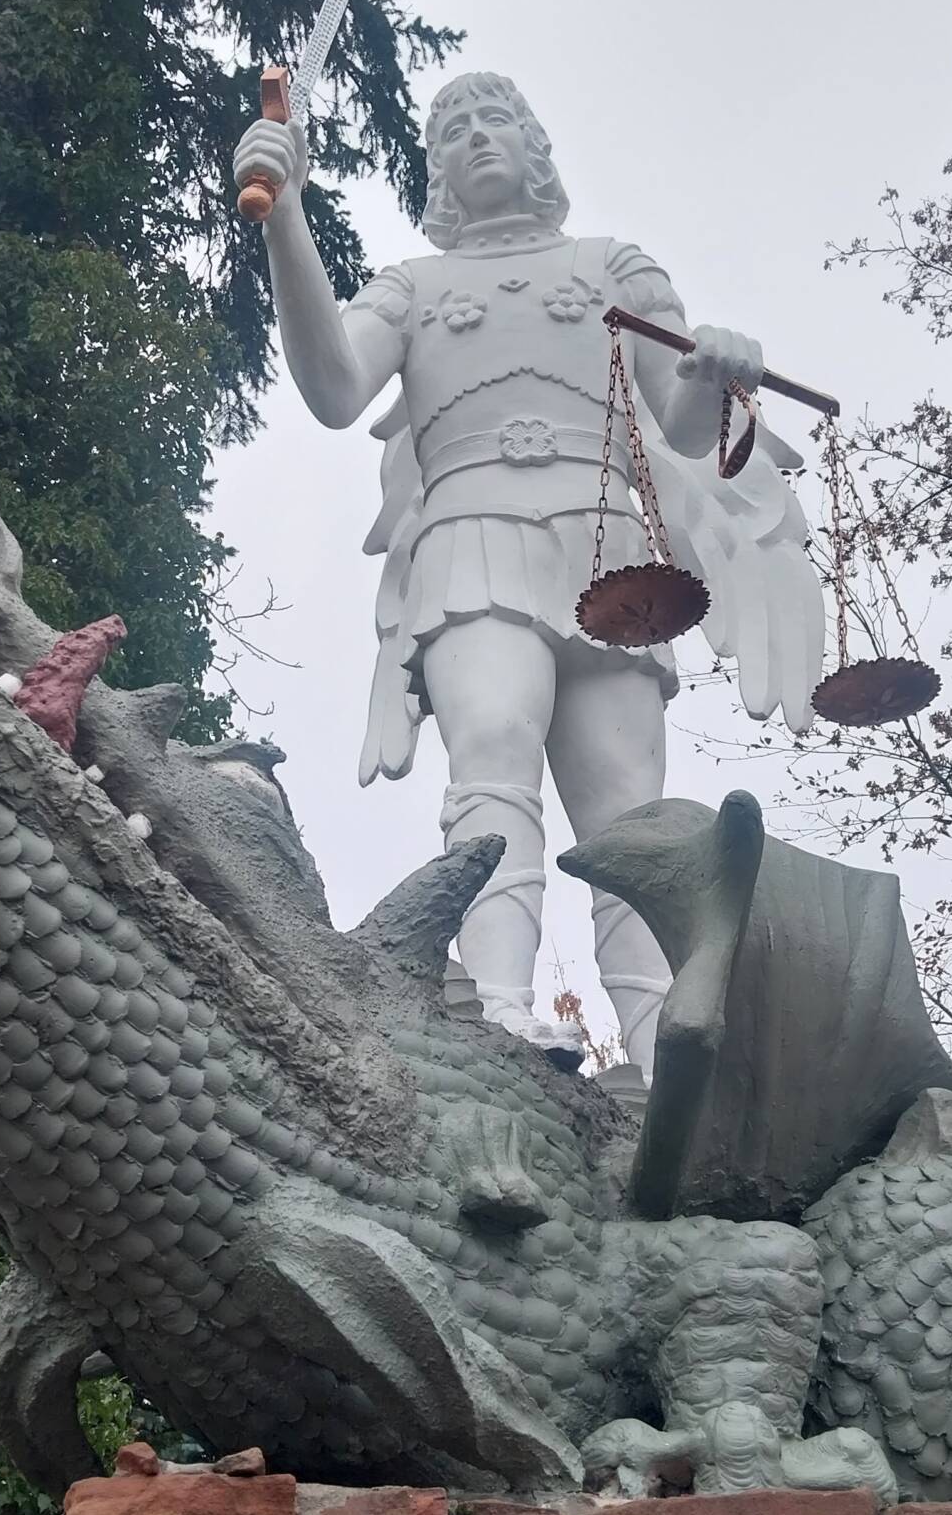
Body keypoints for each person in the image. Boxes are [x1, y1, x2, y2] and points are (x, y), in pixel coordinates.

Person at [235, 71, 822, 1068]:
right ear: (437, 169)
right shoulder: (412, 288)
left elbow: (683, 427)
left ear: (534, 144)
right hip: (470, 542)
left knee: (630, 815)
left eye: (494, 120)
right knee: (493, 745)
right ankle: (498, 1007)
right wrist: (285, 218)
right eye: (453, 130)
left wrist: (719, 371)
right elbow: (334, 389)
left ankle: (662, 1046)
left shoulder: (612, 265)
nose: (477, 138)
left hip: (607, 550)